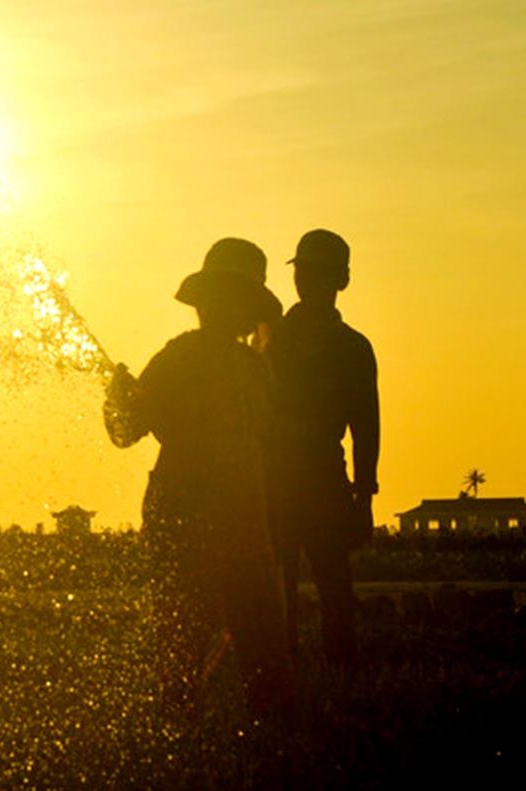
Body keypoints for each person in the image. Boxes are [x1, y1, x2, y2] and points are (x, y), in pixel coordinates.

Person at [104, 238, 294, 724]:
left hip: (207, 513)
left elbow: (126, 430)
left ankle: (196, 729)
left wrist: (120, 398)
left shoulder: (210, 362)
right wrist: (119, 397)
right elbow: (126, 429)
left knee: (206, 635)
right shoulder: (234, 366)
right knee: (222, 636)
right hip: (210, 513)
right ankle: (232, 730)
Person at [266, 229, 379, 668]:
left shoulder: (353, 348)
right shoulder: (270, 338)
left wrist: (363, 497)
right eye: (303, 272)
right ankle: (281, 676)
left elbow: (366, 426)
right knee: (276, 588)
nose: (306, 281)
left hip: (326, 480)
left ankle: (343, 677)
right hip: (273, 480)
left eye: (317, 273)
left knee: (335, 587)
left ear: (341, 280)